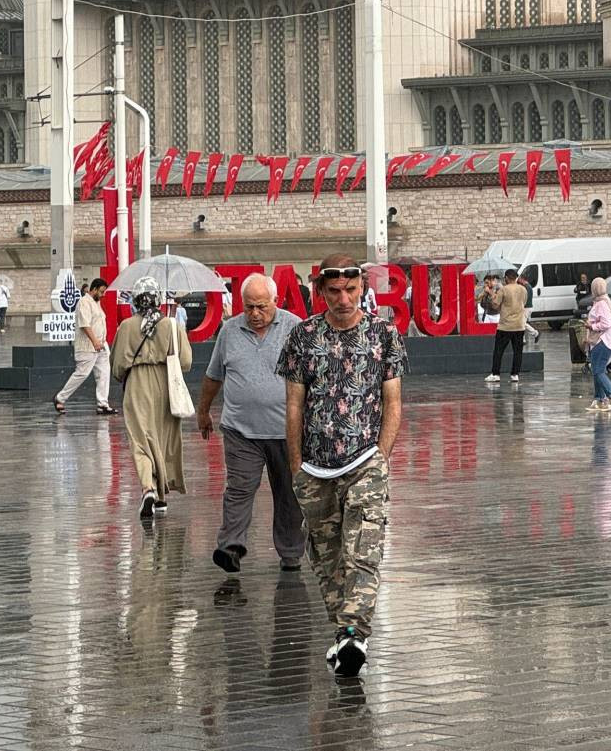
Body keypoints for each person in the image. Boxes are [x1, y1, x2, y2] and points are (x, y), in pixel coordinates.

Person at [278, 254, 405, 677]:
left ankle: (355, 628)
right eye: (334, 291)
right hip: (315, 468)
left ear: (362, 289)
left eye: (351, 290)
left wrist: (381, 456)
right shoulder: (303, 338)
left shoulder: (383, 334)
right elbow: (294, 406)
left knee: (363, 550)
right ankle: (344, 638)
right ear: (320, 292)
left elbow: (393, 402)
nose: (344, 299)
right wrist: (296, 466)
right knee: (327, 557)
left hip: (366, 460)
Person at [198, 274, 305, 574]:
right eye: (249, 307)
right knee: (239, 489)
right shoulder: (229, 331)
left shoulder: (295, 327)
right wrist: (203, 410)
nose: (255, 314)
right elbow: (213, 375)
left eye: (261, 307)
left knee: (288, 493)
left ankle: (291, 553)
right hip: (240, 430)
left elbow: (313, 378)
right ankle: (230, 547)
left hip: (287, 430)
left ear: (275, 301)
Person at [110, 276, 192, 520]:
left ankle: (148, 487)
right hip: (166, 385)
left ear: (135, 300)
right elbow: (186, 361)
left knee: (141, 439)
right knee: (164, 438)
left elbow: (116, 368)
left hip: (137, 385)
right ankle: (162, 496)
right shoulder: (171, 325)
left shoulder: (126, 327)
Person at [54, 278, 117, 415]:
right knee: (81, 373)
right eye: (101, 292)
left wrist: (101, 342)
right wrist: (94, 341)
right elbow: (85, 324)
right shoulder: (84, 302)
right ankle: (60, 397)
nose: (103, 295)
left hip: (100, 345)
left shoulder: (97, 303)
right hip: (87, 346)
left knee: (104, 373)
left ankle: (103, 404)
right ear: (93, 289)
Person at [484, 269, 528, 383]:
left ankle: (496, 373)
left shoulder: (503, 289)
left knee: (498, 350)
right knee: (518, 351)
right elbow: (525, 302)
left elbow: (495, 305)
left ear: (507, 278)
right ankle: (515, 374)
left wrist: (490, 294)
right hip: (519, 325)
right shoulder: (523, 289)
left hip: (505, 326)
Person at [585, 277, 611, 411]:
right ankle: (599, 399)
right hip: (603, 340)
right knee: (596, 370)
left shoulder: (601, 303)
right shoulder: (604, 300)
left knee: (598, 371)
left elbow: (606, 323)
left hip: (603, 340)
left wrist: (591, 326)